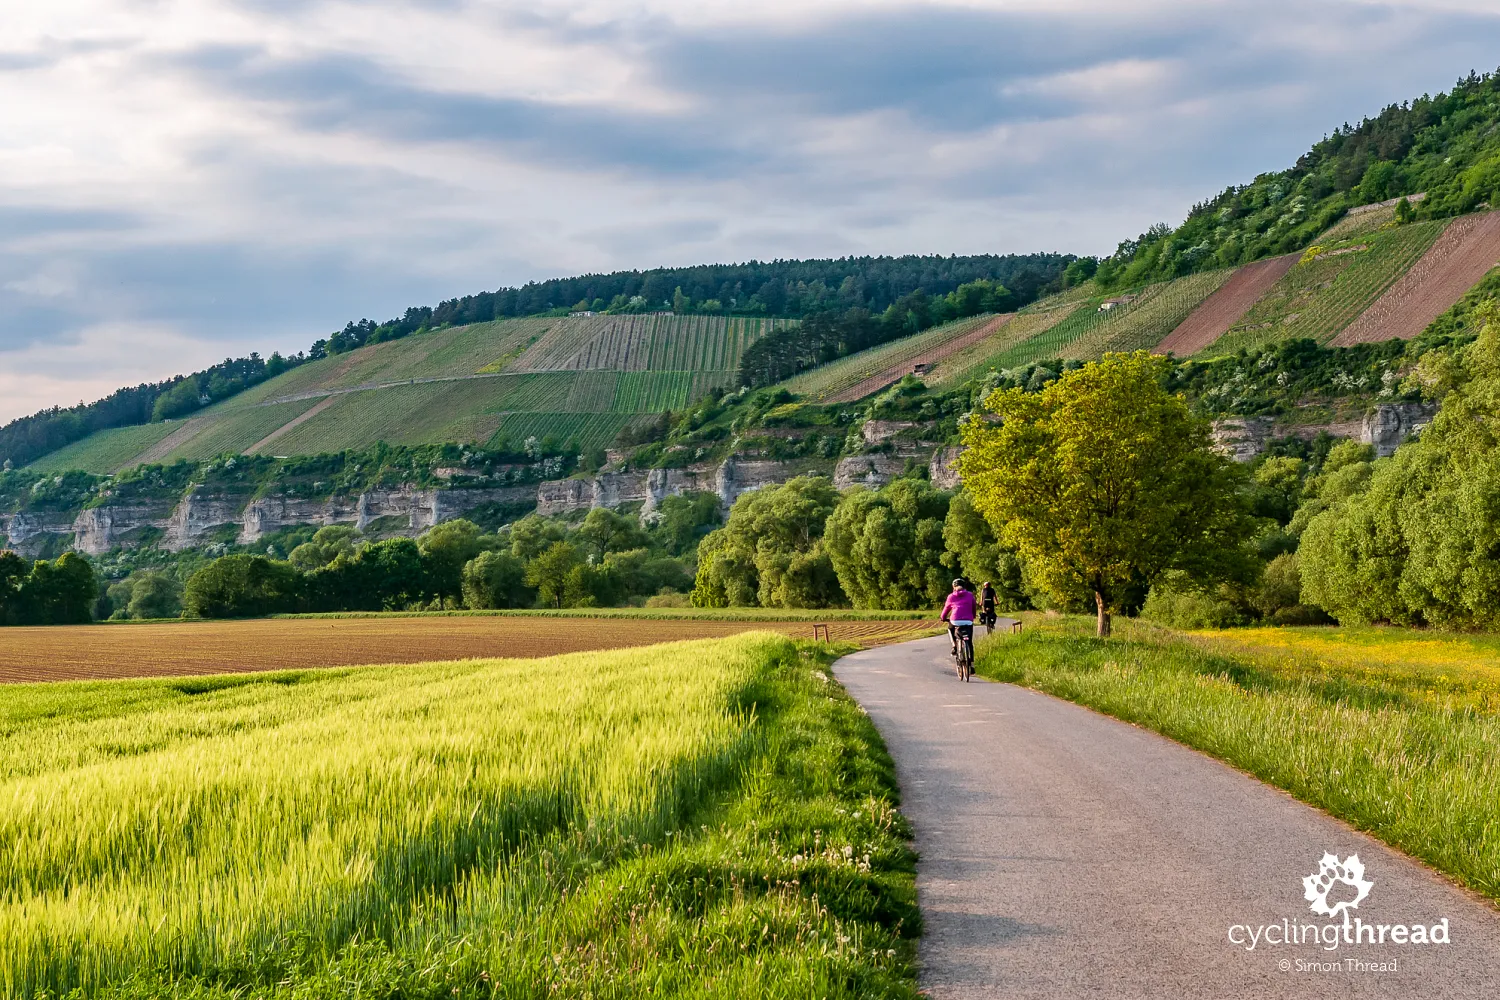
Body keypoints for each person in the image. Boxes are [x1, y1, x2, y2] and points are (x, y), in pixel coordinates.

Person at [940, 578, 977, 665]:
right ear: (964, 586)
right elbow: (973, 607)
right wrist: (973, 616)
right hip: (968, 621)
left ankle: (954, 646)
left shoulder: (951, 596)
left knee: (950, 628)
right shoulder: (970, 595)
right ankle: (971, 664)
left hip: (955, 620)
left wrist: (943, 617)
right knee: (969, 642)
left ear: (953, 587)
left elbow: (946, 609)